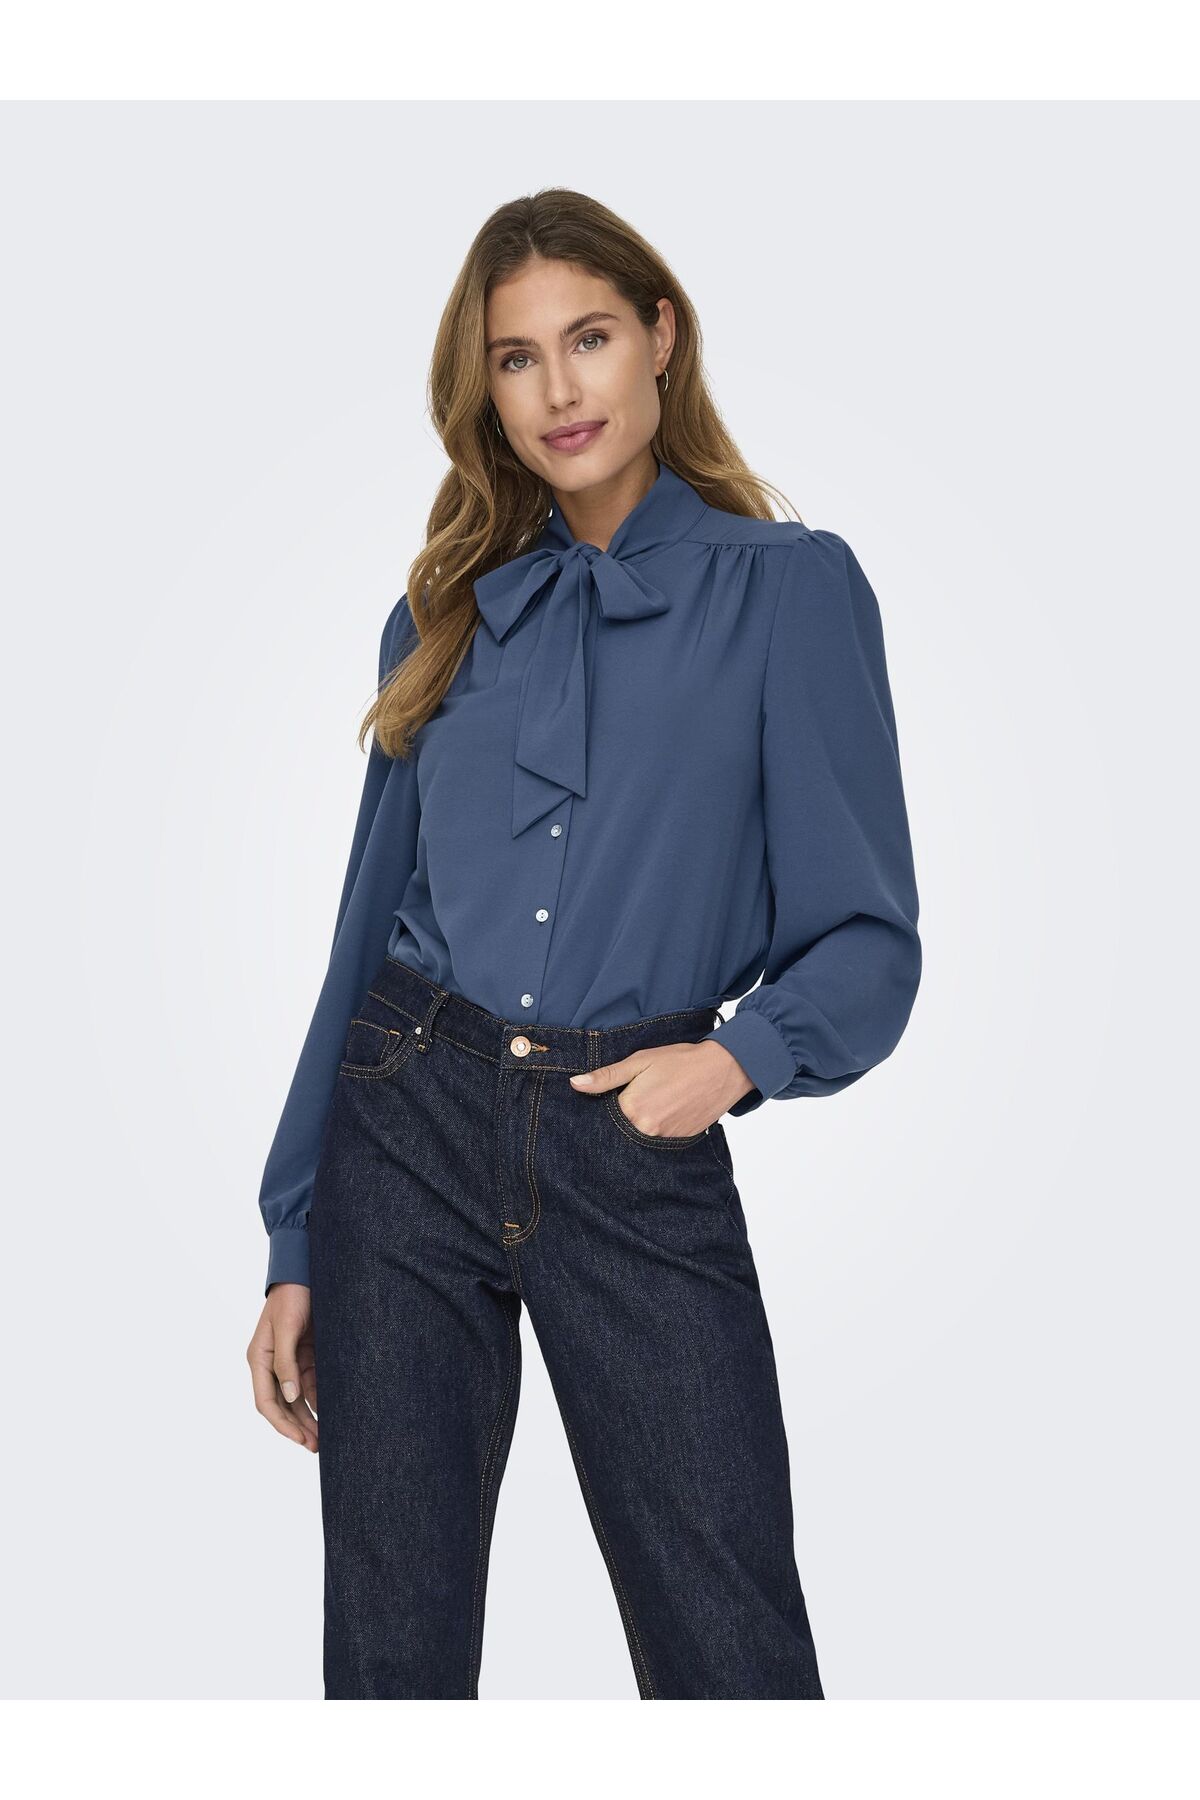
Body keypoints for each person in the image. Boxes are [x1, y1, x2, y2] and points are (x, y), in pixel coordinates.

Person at [246, 187, 922, 1701]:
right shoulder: (444, 615)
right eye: (516, 357)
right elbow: (360, 944)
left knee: (731, 1650)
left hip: (634, 1132)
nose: (559, 388)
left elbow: (869, 937)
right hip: (406, 1128)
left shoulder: (788, 591)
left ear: (662, 337)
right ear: (482, 388)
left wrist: (733, 1063)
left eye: (591, 338)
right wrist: (295, 1235)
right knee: (391, 1660)